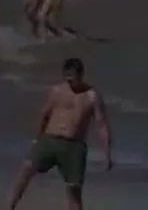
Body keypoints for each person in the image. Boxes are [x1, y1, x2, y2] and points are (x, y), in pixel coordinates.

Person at [8, 58, 113, 210]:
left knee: (74, 191)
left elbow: (101, 124)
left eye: (73, 78)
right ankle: (10, 206)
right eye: (67, 77)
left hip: (74, 147)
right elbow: (44, 114)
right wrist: (36, 138)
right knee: (25, 170)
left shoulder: (92, 96)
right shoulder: (57, 91)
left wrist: (107, 153)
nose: (69, 81)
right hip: (50, 140)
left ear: (81, 75)